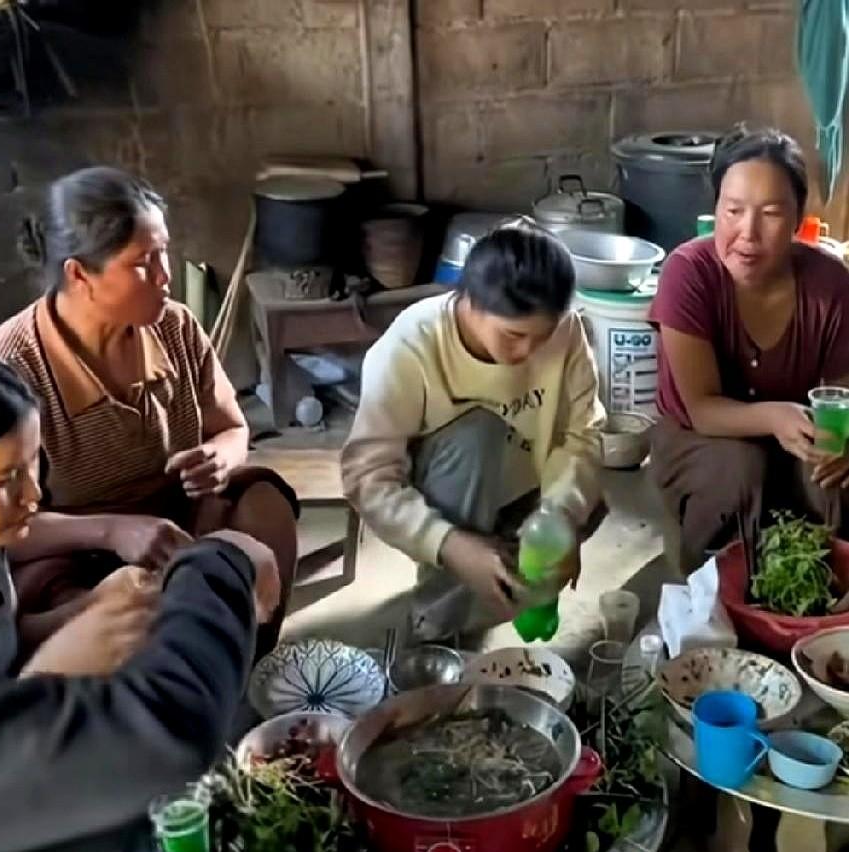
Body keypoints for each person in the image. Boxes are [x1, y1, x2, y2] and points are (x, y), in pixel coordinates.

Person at [0, 342, 279, 852]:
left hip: (20, 806)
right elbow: (168, 726)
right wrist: (220, 563)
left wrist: (86, 613)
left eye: (34, 466)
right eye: (5, 479)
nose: (33, 495)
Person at [0, 166, 298, 654]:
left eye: (164, 252)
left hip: (180, 520)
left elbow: (232, 428)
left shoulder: (173, 327)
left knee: (264, 509)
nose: (166, 275)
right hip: (74, 546)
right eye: (142, 262)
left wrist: (219, 457)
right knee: (83, 619)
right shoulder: (13, 368)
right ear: (79, 274)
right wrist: (112, 530)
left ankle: (248, 667)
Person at [342, 220, 605, 644]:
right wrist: (447, 543)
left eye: (543, 337)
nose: (527, 353)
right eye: (513, 335)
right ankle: (437, 625)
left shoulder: (567, 330)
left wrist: (563, 516)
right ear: (469, 300)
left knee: (569, 518)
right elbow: (368, 479)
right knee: (478, 435)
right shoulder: (412, 344)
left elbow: (584, 433)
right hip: (449, 489)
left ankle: (515, 556)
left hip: (525, 485)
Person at [648, 125, 849, 574]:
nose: (748, 233)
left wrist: (843, 446)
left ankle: (822, 608)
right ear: (715, 209)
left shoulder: (830, 284)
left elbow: (841, 399)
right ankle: (716, 599)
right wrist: (775, 416)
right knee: (737, 471)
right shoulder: (688, 274)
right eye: (733, 210)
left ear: (798, 221)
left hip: (794, 434)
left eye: (772, 213)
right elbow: (701, 409)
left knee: (833, 478)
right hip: (698, 439)